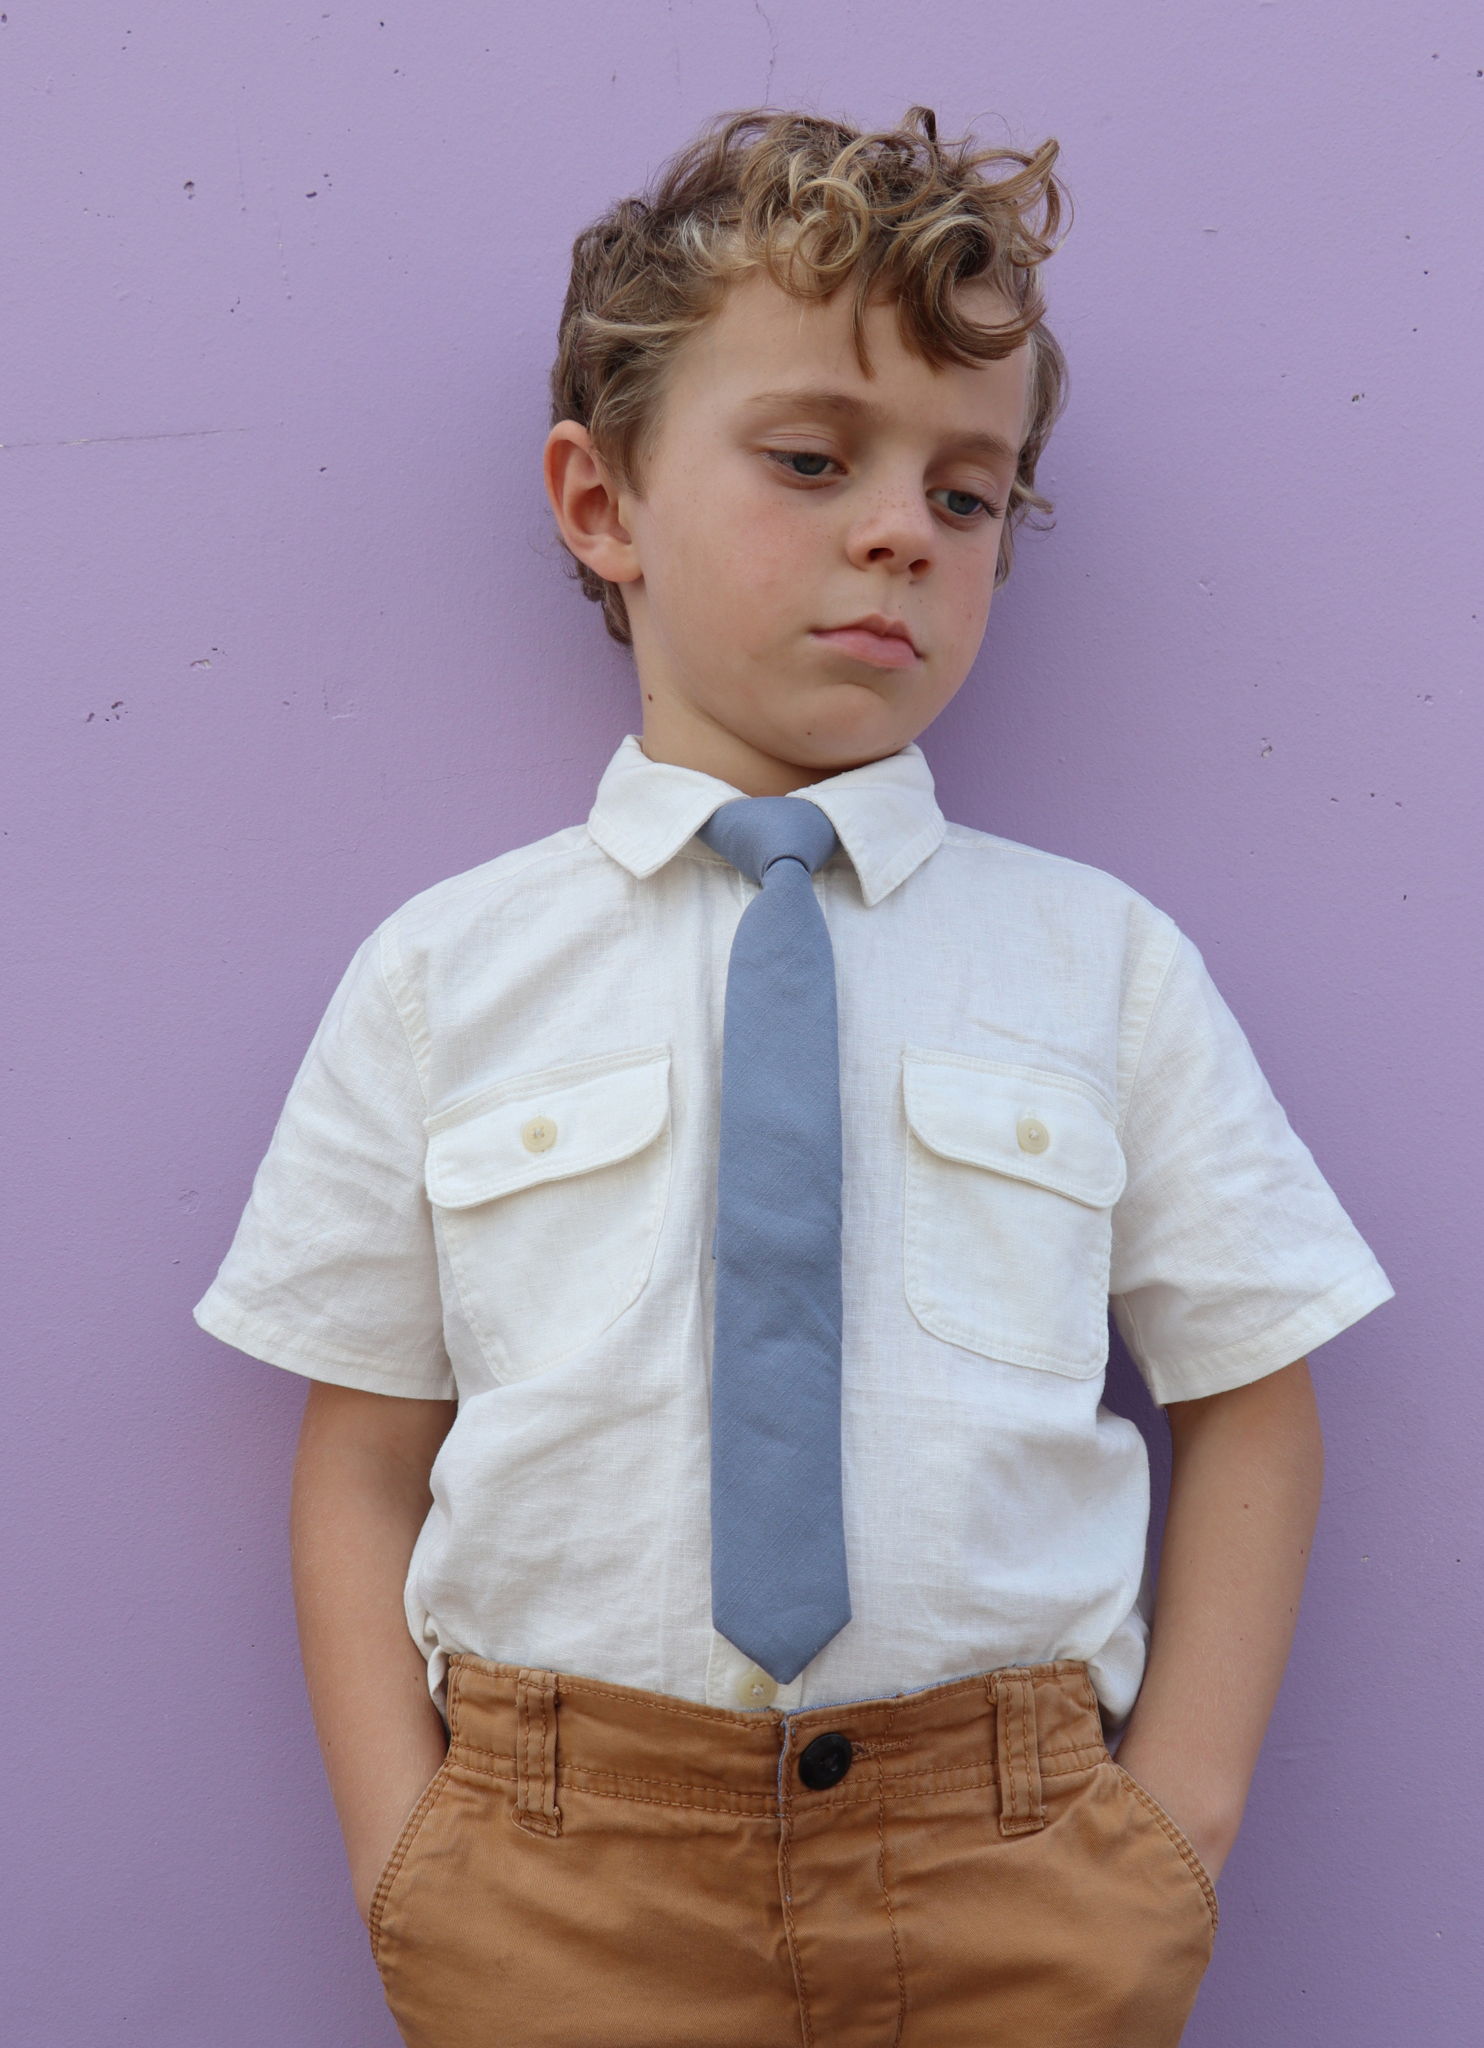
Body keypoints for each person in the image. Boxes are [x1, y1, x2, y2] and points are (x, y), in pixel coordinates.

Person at [195, 108, 1392, 2046]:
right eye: (815, 458)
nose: (904, 526)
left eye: (972, 491)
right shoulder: (443, 977)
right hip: (561, 1870)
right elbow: (360, 1451)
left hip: (1014, 1870)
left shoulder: (1101, 967)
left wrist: (1174, 1832)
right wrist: (404, 1856)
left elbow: (1256, 1399)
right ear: (603, 506)